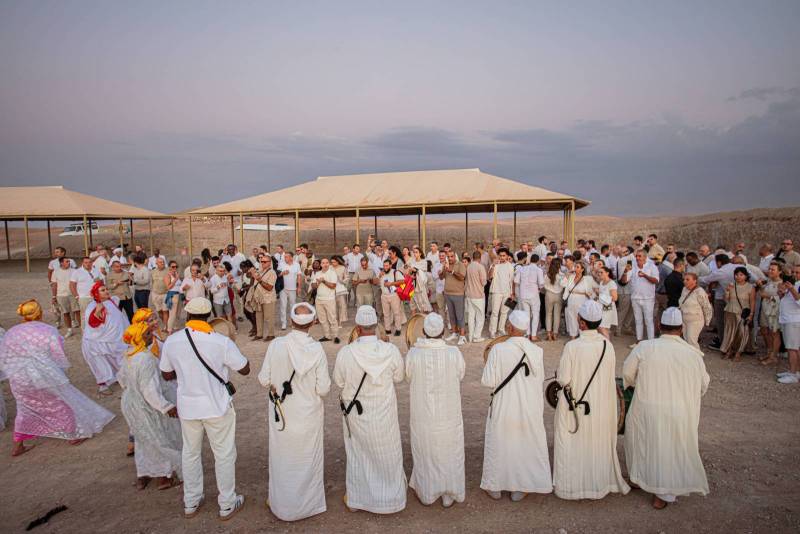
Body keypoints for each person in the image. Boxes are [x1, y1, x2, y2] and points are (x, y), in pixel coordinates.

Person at [159, 297, 250, 520]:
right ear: (209, 316)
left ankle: (191, 501)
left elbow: (166, 373)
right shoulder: (219, 341)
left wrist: (185, 370)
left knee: (190, 453)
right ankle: (227, 503)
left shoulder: (173, 341)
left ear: (187, 315)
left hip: (188, 406)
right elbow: (245, 369)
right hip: (216, 405)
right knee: (224, 454)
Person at [0, 300, 114, 457]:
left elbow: (5, 357)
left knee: (24, 407)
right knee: (61, 403)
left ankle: (18, 444)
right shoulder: (48, 330)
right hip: (45, 375)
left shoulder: (11, 332)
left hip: (20, 378)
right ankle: (72, 436)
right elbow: (58, 355)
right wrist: (57, 370)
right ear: (39, 313)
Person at [623, 307, 710, 509]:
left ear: (660, 326)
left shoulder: (644, 347)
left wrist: (640, 384)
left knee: (643, 442)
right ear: (681, 329)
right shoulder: (693, 354)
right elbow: (703, 385)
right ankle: (658, 491)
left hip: (648, 407)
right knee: (670, 448)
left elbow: (627, 375)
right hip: (680, 410)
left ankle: (643, 481)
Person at [258, 302, 331, 521]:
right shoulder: (317, 349)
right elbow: (324, 389)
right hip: (309, 413)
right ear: (314, 323)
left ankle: (282, 504)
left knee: (282, 457)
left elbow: (263, 379)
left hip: (283, 412)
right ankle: (308, 506)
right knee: (307, 458)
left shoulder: (276, 345)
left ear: (290, 322)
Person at [553, 300, 630, 500]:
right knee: (596, 441)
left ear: (582, 323)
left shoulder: (572, 347)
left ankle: (573, 486)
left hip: (576, 403)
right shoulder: (607, 346)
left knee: (574, 441)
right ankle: (598, 483)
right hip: (600, 403)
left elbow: (563, 379)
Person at [334, 306, 406, 514]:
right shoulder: (390, 351)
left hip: (358, 413)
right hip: (383, 411)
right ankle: (391, 499)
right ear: (376, 326)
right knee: (388, 452)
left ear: (357, 327)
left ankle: (358, 500)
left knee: (359, 454)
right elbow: (399, 377)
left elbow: (339, 381)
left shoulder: (346, 352)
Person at [480, 309, 551, 502]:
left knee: (500, 443)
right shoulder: (537, 351)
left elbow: (488, 381)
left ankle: (495, 485)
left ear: (510, 327)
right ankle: (521, 486)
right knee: (524, 443)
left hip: (504, 404)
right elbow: (540, 379)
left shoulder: (498, 349)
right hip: (528, 405)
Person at [406, 313, 466, 507]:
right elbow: (461, 374)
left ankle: (427, 491)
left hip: (424, 414)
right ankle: (449, 491)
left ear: (423, 331)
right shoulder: (454, 353)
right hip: (449, 413)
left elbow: (408, 376)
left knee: (426, 448)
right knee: (449, 448)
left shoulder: (414, 354)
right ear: (442, 332)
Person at [119, 320, 182, 490]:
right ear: (138, 338)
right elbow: (150, 390)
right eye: (146, 334)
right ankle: (164, 475)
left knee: (142, 439)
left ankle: (144, 474)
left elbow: (122, 380)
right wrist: (166, 406)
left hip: (131, 403)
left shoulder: (128, 354)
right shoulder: (145, 359)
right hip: (148, 406)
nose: (150, 336)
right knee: (160, 438)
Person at [81, 282, 130, 395]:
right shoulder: (92, 307)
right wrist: (98, 311)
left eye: (106, 289)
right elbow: (92, 323)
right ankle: (103, 384)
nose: (106, 291)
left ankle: (120, 377)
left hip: (115, 339)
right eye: (102, 290)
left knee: (119, 358)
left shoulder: (111, 301)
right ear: (96, 294)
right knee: (100, 363)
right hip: (97, 342)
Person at [621, 249, 659, 346]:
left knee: (649, 320)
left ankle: (651, 342)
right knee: (638, 320)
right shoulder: (632, 266)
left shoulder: (652, 266)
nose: (637, 258)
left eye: (640, 256)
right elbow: (624, 281)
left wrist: (645, 275)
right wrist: (625, 272)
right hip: (635, 298)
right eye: (636, 256)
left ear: (645, 257)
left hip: (648, 298)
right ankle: (639, 341)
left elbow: (656, 280)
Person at [720, 267, 755, 361]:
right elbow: (726, 300)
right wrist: (727, 291)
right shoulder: (731, 285)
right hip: (730, 311)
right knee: (730, 333)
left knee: (742, 333)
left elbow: (752, 302)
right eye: (736, 275)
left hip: (742, 313)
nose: (738, 277)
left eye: (741, 275)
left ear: (746, 276)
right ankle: (729, 350)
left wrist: (751, 314)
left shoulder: (750, 287)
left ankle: (739, 352)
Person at [776, 265, 800, 384]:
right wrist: (781, 292)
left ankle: (792, 374)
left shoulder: (797, 286)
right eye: (793, 272)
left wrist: (791, 289)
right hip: (786, 319)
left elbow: (799, 300)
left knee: (792, 348)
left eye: (798, 272)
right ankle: (795, 371)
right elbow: (785, 300)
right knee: (794, 347)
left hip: (794, 320)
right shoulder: (793, 284)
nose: (795, 274)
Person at [515, 252, 545, 341]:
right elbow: (541, 284)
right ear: (538, 261)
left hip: (523, 294)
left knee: (526, 315)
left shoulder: (522, 269)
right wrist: (539, 288)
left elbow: (516, 281)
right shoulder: (539, 270)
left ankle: (527, 334)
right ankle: (534, 335)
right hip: (534, 294)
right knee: (535, 314)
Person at [562, 262, 596, 339]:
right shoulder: (571, 277)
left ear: (582, 269)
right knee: (571, 318)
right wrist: (567, 274)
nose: (575, 268)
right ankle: (573, 337)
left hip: (582, 300)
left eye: (577, 267)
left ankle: (582, 336)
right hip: (571, 300)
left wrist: (591, 294)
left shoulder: (588, 279)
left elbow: (595, 287)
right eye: (575, 267)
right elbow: (562, 284)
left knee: (581, 318)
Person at [679, 273, 713, 350]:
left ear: (695, 281)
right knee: (686, 341)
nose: (684, 281)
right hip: (684, 320)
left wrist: (707, 321)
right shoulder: (684, 289)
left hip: (695, 321)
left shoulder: (699, 291)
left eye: (687, 279)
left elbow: (707, 307)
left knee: (692, 341)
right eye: (684, 279)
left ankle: (697, 358)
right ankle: (690, 358)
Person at [758, 263, 783, 366]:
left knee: (774, 333)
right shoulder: (768, 281)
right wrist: (760, 287)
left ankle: (774, 356)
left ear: (779, 272)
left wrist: (768, 296)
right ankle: (769, 352)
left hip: (774, 311)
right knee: (764, 330)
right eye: (769, 269)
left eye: (773, 270)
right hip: (765, 309)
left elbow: (781, 298)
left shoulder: (781, 283)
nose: (770, 271)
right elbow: (762, 292)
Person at [487, 248, 514, 340]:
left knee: (504, 312)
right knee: (495, 312)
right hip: (496, 291)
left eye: (504, 255)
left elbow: (512, 280)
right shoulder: (495, 265)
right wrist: (493, 266)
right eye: (500, 255)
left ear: (507, 256)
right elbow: (490, 277)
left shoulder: (510, 266)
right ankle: (492, 331)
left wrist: (512, 293)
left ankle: (501, 329)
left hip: (507, 292)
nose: (502, 257)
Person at [249, 255, 277, 341]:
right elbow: (252, 282)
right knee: (258, 316)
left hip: (268, 298)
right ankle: (259, 334)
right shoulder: (260, 271)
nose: (263, 263)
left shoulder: (272, 273)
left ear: (269, 263)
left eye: (265, 262)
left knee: (269, 317)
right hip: (259, 298)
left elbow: (269, 287)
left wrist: (259, 280)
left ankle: (271, 334)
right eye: (261, 261)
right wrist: (253, 274)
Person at [51, 256, 81, 338]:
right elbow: (54, 285)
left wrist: (78, 294)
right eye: (66, 261)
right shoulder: (56, 272)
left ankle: (83, 329)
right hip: (61, 295)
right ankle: (69, 330)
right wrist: (54, 297)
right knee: (65, 312)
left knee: (77, 311)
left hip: (73, 294)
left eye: (69, 261)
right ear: (61, 263)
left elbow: (78, 283)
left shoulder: (74, 271)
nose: (69, 262)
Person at [312, 258, 340, 343]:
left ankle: (335, 336)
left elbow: (333, 286)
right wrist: (317, 283)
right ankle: (327, 336)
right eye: (323, 263)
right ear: (321, 265)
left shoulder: (332, 273)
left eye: (327, 263)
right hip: (319, 300)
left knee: (332, 319)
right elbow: (313, 286)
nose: (325, 264)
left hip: (329, 299)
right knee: (322, 319)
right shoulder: (317, 273)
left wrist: (323, 281)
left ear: (329, 264)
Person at [464, 251, 488, 342]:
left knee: (471, 316)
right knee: (480, 316)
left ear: (473, 257)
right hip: (478, 295)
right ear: (480, 258)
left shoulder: (469, 266)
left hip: (469, 295)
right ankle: (476, 336)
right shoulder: (480, 267)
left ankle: (470, 336)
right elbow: (484, 282)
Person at [70, 256, 101, 324]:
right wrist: (76, 296)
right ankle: (85, 333)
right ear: (82, 263)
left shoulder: (96, 270)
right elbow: (72, 285)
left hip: (95, 297)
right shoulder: (77, 272)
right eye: (86, 262)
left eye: (90, 262)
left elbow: (100, 282)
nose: (88, 264)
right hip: (83, 298)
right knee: (85, 316)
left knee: (97, 314)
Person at [380, 259, 407, 337]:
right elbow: (377, 282)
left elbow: (403, 281)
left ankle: (398, 329)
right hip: (384, 296)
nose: (385, 267)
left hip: (394, 295)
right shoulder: (381, 273)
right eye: (384, 266)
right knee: (386, 314)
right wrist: (379, 276)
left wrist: (391, 284)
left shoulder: (396, 272)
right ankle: (387, 329)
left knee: (396, 313)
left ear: (390, 265)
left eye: (387, 265)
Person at [277, 251, 302, 331]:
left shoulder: (297, 264)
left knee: (293, 306)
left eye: (287, 257)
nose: (285, 258)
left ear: (291, 257)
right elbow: (277, 274)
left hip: (293, 288)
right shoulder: (281, 264)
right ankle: (284, 323)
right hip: (283, 288)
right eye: (285, 257)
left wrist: (299, 287)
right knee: (283, 306)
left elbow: (299, 276)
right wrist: (282, 273)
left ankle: (293, 322)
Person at [406, 246, 433, 314]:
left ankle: (422, 322)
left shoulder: (424, 262)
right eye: (414, 252)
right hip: (412, 286)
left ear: (420, 253)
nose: (415, 254)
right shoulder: (412, 262)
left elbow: (421, 272)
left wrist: (413, 269)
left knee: (422, 305)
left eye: (416, 252)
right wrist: (409, 271)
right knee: (412, 304)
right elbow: (408, 273)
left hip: (421, 286)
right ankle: (414, 322)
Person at [544, 257, 565, 341]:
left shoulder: (547, 274)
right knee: (557, 315)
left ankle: (549, 334)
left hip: (549, 294)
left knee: (548, 314)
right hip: (559, 295)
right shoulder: (562, 275)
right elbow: (564, 285)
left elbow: (544, 285)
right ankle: (555, 334)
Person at [596, 266, 618, 340]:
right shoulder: (601, 282)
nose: (599, 274)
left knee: (602, 327)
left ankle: (608, 346)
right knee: (602, 328)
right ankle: (604, 345)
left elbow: (615, 298)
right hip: (601, 308)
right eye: (599, 272)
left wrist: (600, 295)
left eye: (601, 272)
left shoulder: (611, 283)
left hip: (608, 308)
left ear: (607, 273)